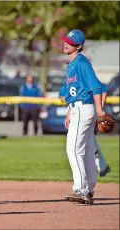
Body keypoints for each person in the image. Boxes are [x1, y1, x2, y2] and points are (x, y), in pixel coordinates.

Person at [59, 29, 108, 205]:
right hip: (77, 109)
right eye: (66, 40)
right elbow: (72, 93)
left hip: (84, 109)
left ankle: (81, 189)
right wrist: (69, 111)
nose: (66, 43)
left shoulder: (81, 63)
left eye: (71, 42)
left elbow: (97, 87)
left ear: (79, 46)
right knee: (86, 150)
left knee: (73, 149)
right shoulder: (72, 65)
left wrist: (100, 109)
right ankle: (88, 189)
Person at [59, 83, 111, 178]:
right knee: (88, 141)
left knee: (81, 143)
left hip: (86, 109)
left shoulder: (86, 78)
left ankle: (81, 171)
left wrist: (99, 108)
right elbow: (62, 96)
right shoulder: (70, 80)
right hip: (76, 109)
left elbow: (103, 90)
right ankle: (101, 167)